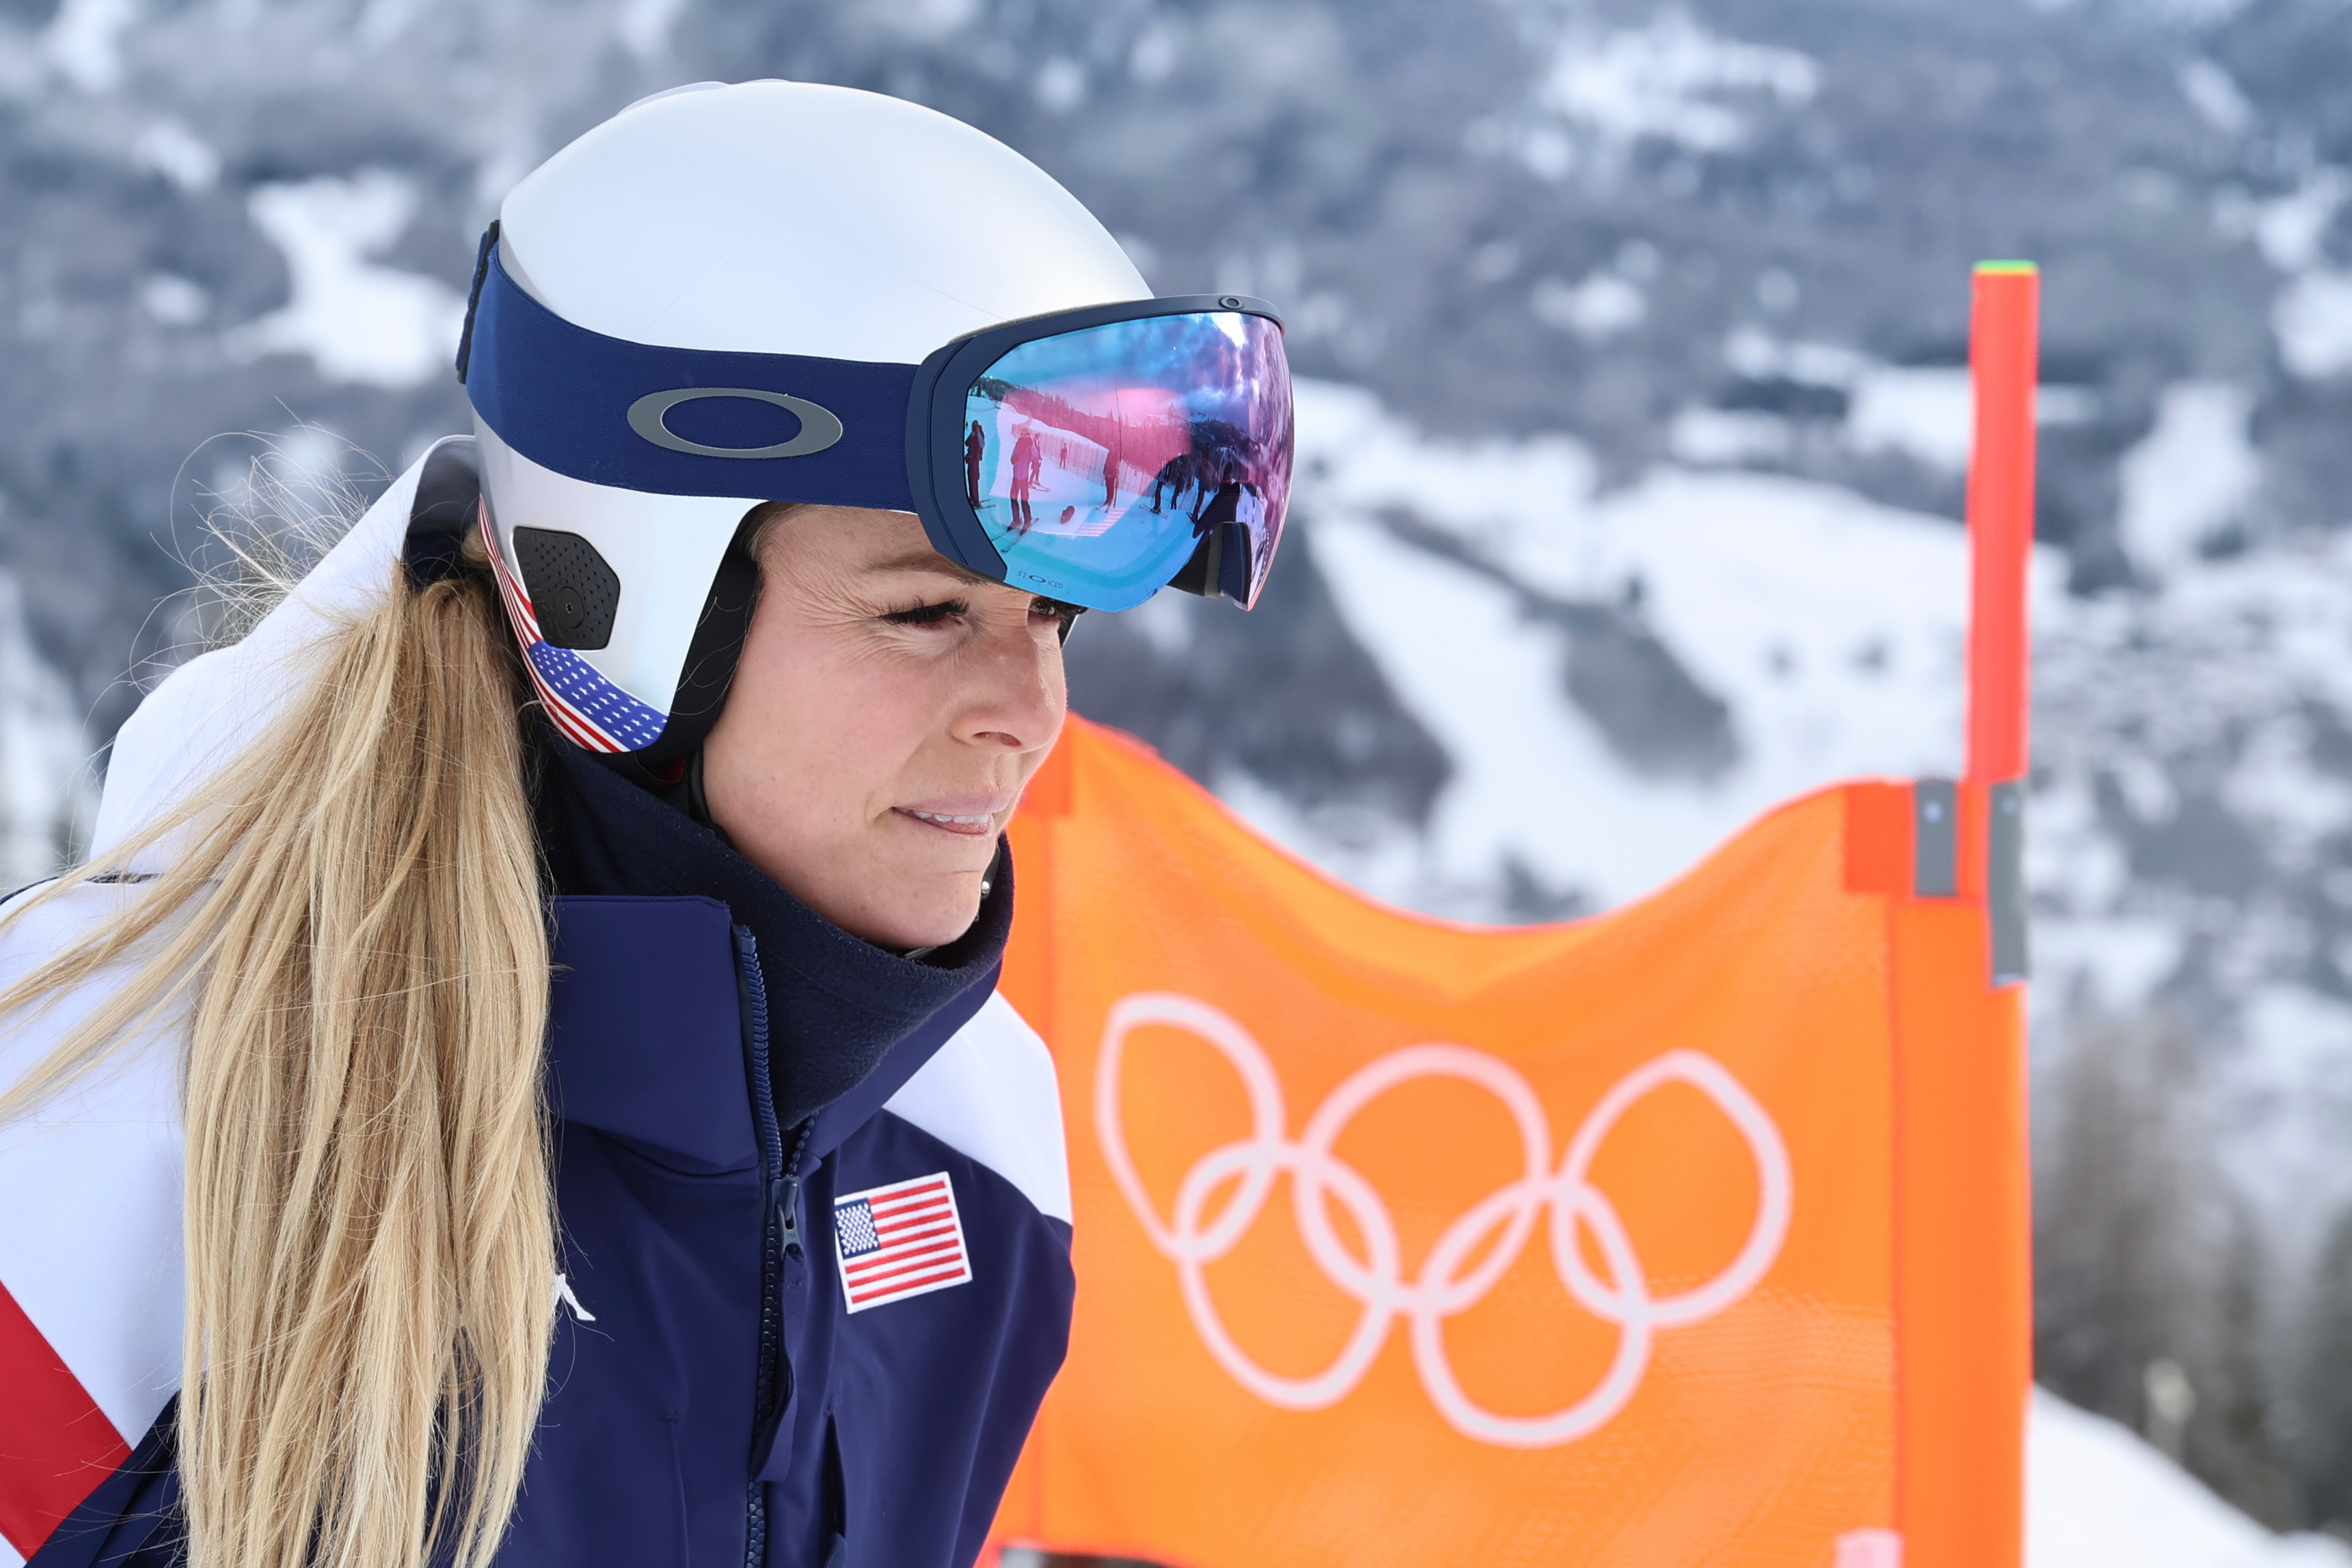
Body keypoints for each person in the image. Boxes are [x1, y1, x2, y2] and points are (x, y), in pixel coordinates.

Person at [0, 81, 1290, 1568]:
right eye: (926, 611)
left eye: (1050, 617)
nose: (1030, 711)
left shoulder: (970, 1140)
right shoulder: (109, 1117)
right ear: (618, 608)